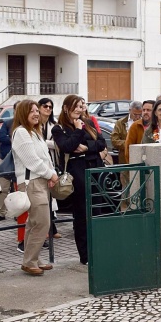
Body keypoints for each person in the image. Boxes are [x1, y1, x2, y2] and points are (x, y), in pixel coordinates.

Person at [52, 95, 107, 265]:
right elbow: (67, 146)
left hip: (96, 170)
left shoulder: (88, 122)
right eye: (75, 106)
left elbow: (102, 143)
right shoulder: (58, 128)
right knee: (82, 215)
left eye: (80, 106)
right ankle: (85, 256)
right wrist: (77, 130)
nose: (79, 109)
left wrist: (86, 149)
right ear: (66, 107)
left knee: (98, 212)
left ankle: (100, 250)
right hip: (78, 173)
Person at [11, 101, 59, 276]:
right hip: (31, 182)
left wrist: (50, 174)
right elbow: (32, 161)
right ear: (23, 113)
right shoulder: (21, 132)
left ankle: (32, 259)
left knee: (33, 223)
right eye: (31, 111)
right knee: (42, 222)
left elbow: (45, 158)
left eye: (36, 111)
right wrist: (51, 175)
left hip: (41, 181)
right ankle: (30, 261)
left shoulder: (35, 131)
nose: (36, 114)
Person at [37, 97, 62, 239]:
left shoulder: (54, 124)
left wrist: (43, 143)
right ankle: (46, 230)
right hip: (39, 165)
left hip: (52, 162)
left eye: (50, 107)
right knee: (43, 198)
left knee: (51, 197)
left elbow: (58, 144)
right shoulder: (34, 124)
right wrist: (47, 143)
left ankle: (52, 228)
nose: (47, 109)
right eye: (45, 106)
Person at [0, 101, 20, 223]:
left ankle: (18, 212)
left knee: (19, 189)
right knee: (3, 188)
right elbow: (1, 137)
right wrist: (16, 139)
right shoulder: (8, 123)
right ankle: (1, 213)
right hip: (6, 160)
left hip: (20, 162)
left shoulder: (28, 124)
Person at [112, 101, 142, 165]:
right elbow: (114, 140)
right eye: (135, 114)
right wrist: (130, 144)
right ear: (129, 110)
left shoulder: (144, 123)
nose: (137, 117)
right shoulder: (120, 123)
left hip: (141, 159)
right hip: (124, 160)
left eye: (140, 115)